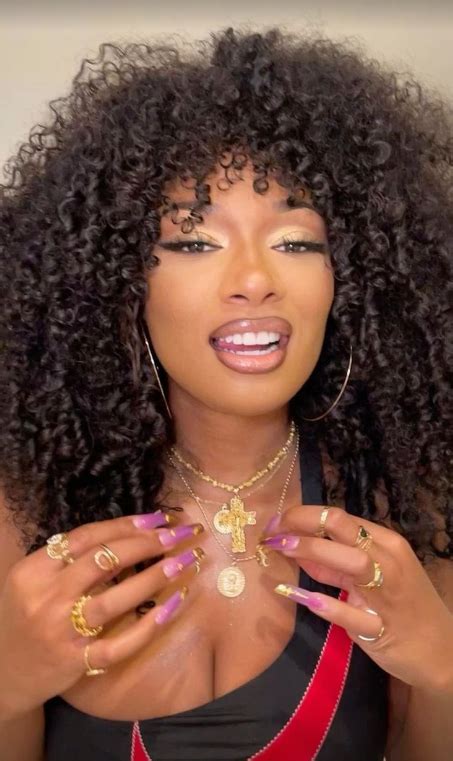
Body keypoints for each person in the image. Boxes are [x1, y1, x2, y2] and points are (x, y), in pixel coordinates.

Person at [0, 25, 452, 761]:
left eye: (296, 242)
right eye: (192, 241)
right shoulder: (24, 510)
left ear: (351, 280)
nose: (252, 279)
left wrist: (444, 672)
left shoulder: (403, 502)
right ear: (118, 280)